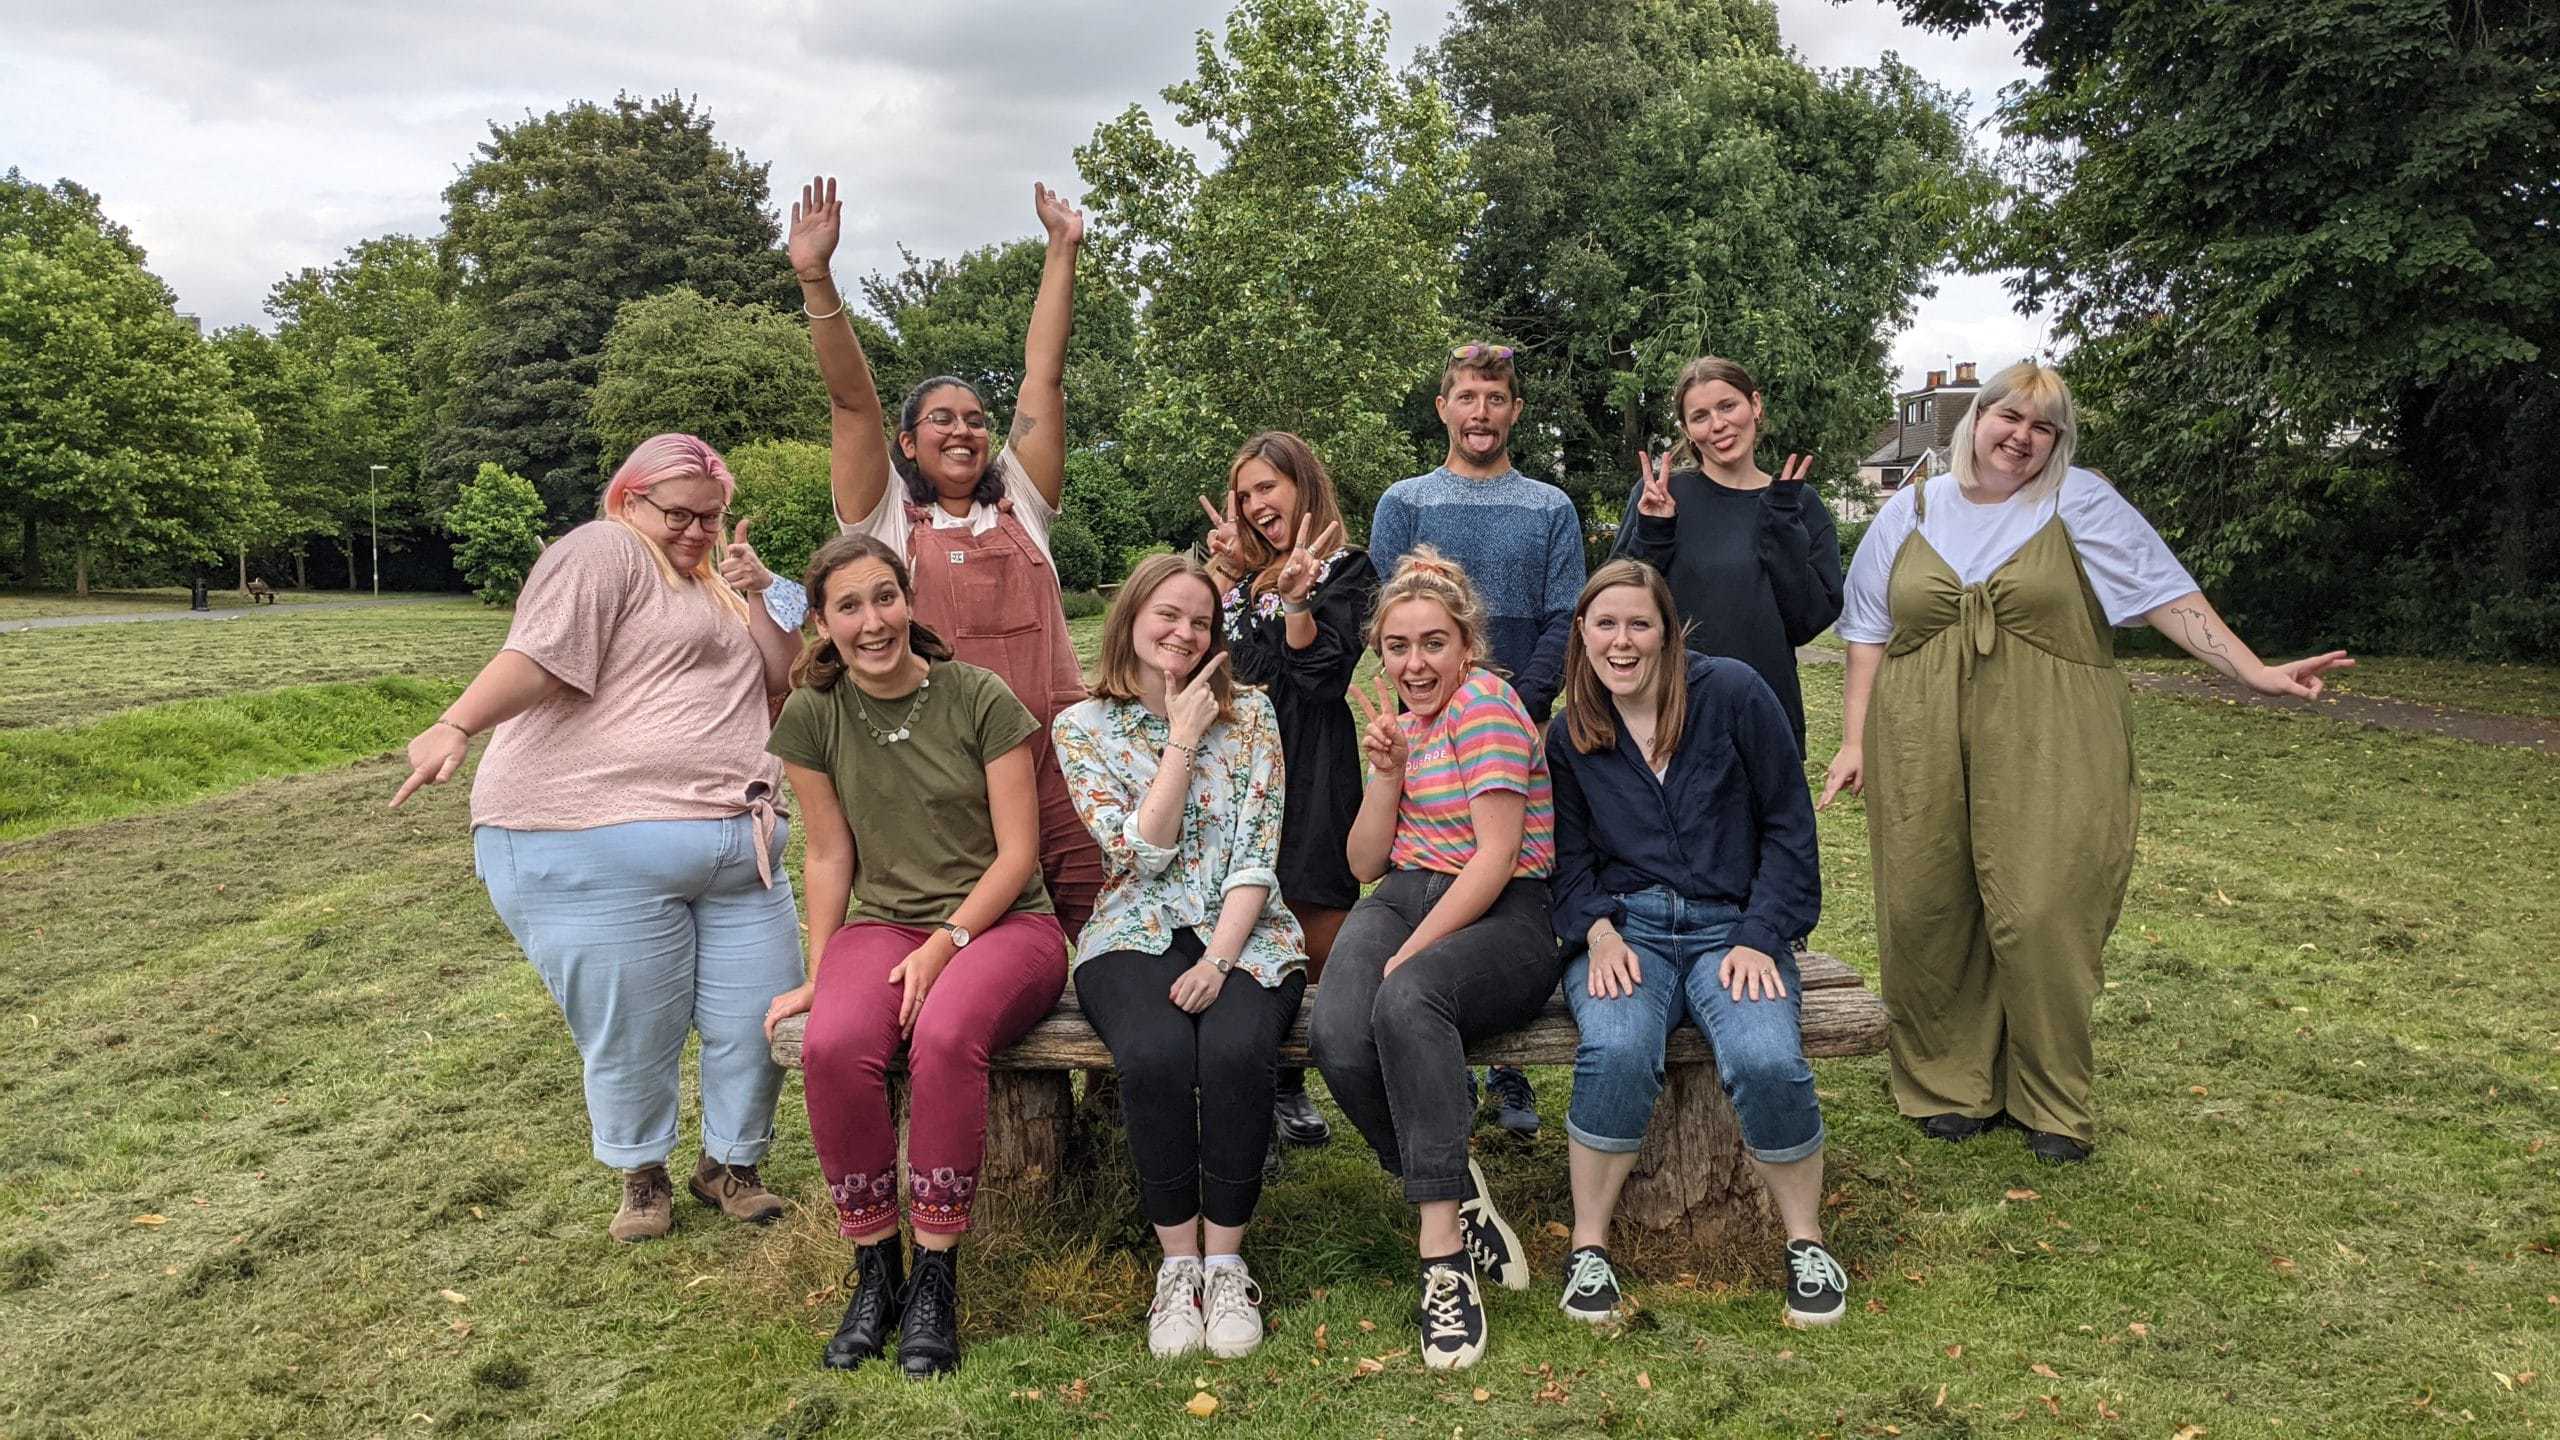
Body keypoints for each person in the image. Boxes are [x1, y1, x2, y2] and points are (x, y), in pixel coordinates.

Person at [1821, 360, 2353, 1164]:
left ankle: (2051, 1099)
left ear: (2057, 443)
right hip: (1916, 729)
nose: (2023, 437)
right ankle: (1951, 1083)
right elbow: (1867, 631)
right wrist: (1856, 739)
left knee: (2043, 910)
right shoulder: (1912, 507)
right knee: (1927, 905)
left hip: (2052, 729)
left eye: (2045, 427)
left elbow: (2168, 596)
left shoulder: (2079, 503)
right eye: (2011, 417)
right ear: (1976, 419)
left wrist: (2252, 671)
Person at [390, 434, 804, 1243]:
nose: (695, 531)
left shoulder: (712, 585)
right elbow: (539, 658)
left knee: (760, 1015)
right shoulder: (604, 550)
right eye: (679, 514)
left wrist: (762, 592)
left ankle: (732, 1163)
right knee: (633, 1026)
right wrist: (456, 723)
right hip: (590, 832)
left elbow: (778, 680)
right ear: (627, 498)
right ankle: (641, 1173)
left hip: (739, 844)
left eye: (710, 519)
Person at [762, 534, 1068, 1378]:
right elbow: (828, 856)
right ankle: (877, 1273)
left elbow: (1018, 857)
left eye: (885, 598)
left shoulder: (979, 696)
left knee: (942, 1036)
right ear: (822, 624)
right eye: (849, 607)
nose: (873, 621)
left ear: (910, 600)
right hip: (886, 925)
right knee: (833, 1043)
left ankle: (937, 1276)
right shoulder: (812, 716)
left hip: (1009, 925)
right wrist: (822, 974)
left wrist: (948, 942)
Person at [786, 173, 1105, 937]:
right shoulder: (885, 517)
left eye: (975, 418)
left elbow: (1044, 376)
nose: (963, 430)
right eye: (940, 419)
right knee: (982, 940)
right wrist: (815, 277)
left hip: (1060, 756)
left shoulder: (1022, 501)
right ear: (908, 442)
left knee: (1100, 923)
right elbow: (851, 400)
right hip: (950, 768)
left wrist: (1062, 250)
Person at [1545, 560, 1846, 1329]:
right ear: (1582, 633)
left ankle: (1805, 1241)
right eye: (1604, 624)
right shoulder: (1572, 732)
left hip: (1730, 928)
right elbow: (1568, 862)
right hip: (1629, 929)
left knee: (1766, 1057)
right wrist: (1599, 932)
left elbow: (1788, 824)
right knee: (1614, 1048)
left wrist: (1759, 933)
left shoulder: (1736, 694)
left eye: (1639, 624)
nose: (1622, 641)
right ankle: (1588, 1247)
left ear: (1669, 632)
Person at [1308, 548, 1562, 1371]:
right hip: (1406, 891)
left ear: (1467, 646)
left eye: (1432, 644)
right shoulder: (1407, 726)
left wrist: (1410, 954)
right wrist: (1385, 776)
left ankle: (1442, 1256)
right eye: (1396, 646)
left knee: (1404, 999)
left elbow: (1494, 857)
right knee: (1336, 1034)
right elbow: (1362, 863)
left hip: (1508, 912)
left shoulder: (1485, 706)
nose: (1414, 664)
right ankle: (1451, 1180)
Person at [1051, 554, 1306, 1361]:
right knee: (1155, 1053)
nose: (1184, 633)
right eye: (1167, 615)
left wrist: (1222, 962)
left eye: (1200, 622)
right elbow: (1141, 854)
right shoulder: (1080, 728)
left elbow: (1257, 855)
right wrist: (1183, 739)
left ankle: (1225, 1263)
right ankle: (1176, 1268)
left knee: (1236, 1049)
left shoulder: (1256, 716)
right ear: (1129, 617)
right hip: (1133, 928)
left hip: (1247, 929)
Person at [1368, 342, 1584, 1137]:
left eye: (1495, 398)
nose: (1481, 413)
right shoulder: (1406, 503)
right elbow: (1393, 616)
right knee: (1439, 864)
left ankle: (1511, 1071)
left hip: (1512, 716)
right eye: (1466, 397)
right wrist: (1430, 701)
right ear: (1444, 409)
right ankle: (1443, 1067)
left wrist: (1520, 704)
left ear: (1515, 410)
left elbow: (1566, 614)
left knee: (1508, 871)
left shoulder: (1550, 507)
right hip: (1430, 723)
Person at [1196, 431, 1379, 1149]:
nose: (1253, 503)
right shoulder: (1239, 581)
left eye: (1265, 486)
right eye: (1244, 494)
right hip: (1241, 766)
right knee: (1238, 918)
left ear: (1302, 483)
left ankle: (1293, 1077)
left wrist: (1294, 603)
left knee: (1312, 924)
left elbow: (1323, 677)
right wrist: (1230, 587)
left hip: (1315, 762)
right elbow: (1229, 667)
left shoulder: (1348, 568)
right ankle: (1251, 1088)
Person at [1614, 355, 1843, 753]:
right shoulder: (1663, 496)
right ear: (1687, 430)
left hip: (1765, 716)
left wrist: (1782, 525)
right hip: (1671, 713)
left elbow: (1808, 621)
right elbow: (1618, 607)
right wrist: (1653, 530)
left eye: (1727, 406)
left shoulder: (1797, 502)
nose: (1717, 425)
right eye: (1699, 416)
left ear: (1754, 405)